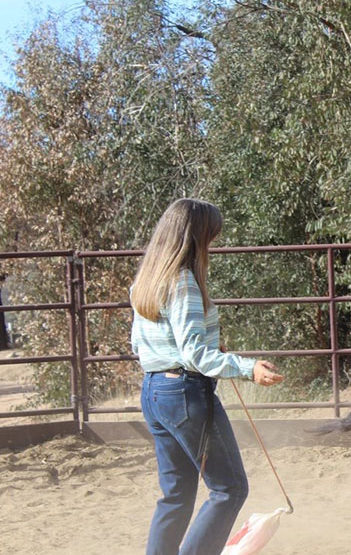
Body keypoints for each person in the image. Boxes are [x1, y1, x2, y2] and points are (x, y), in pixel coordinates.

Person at [130, 198, 284, 555]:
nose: (211, 245)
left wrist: (209, 346)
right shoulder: (183, 281)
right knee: (229, 488)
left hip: (155, 392)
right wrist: (248, 368)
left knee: (176, 495)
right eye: (210, 236)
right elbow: (194, 355)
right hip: (185, 394)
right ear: (195, 238)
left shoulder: (146, 281)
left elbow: (140, 343)